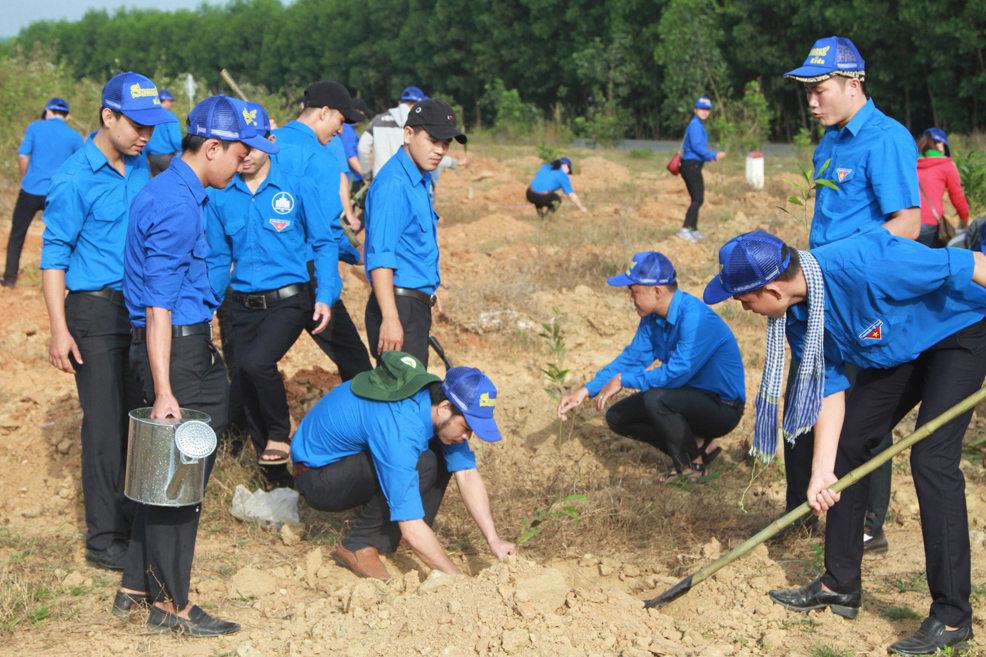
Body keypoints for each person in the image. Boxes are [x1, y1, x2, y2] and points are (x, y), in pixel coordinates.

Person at [705, 229, 986, 656]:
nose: (743, 307)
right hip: (900, 347)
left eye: (744, 300)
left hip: (960, 328)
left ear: (772, 289)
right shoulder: (799, 318)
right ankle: (840, 583)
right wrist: (822, 471)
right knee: (850, 441)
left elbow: (970, 264)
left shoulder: (869, 262)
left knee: (931, 457)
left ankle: (951, 617)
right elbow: (829, 390)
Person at [118, 94, 277, 636]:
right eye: (238, 154)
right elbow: (158, 305)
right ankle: (172, 605)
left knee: (169, 472)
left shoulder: (171, 188)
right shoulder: (179, 205)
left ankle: (136, 585)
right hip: (177, 353)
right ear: (211, 147)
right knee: (179, 479)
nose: (244, 163)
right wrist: (165, 389)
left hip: (181, 347)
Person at [774, 36, 921, 543]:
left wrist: (842, 259)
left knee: (858, 415)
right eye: (806, 92)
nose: (812, 102)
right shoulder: (828, 142)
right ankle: (801, 513)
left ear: (853, 83)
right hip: (822, 292)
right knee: (807, 397)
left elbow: (909, 223)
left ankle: (864, 524)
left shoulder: (887, 138)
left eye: (820, 90)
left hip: (864, 297)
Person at [40, 73, 172, 572]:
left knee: (134, 417)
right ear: (108, 117)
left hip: (136, 308)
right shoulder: (75, 178)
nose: (145, 135)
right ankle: (103, 540)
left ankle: (132, 519)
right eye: (137, 125)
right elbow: (54, 258)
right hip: (93, 311)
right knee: (103, 425)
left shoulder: (142, 168)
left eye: (151, 126)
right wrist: (59, 328)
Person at [290, 352, 518, 580]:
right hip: (318, 478)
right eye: (466, 427)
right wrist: (458, 580)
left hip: (351, 462)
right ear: (445, 407)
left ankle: (402, 533)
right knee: (424, 462)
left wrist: (493, 539)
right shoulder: (400, 425)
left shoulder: (431, 403)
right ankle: (359, 543)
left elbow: (467, 473)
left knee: (441, 451)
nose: (468, 436)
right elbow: (410, 523)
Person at [205, 102, 338, 481]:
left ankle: (281, 432)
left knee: (254, 364)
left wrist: (325, 293)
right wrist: (206, 306)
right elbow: (217, 259)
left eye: (252, 144)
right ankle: (276, 477)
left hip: (289, 299)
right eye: (238, 145)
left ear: (270, 139)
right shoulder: (220, 194)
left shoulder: (296, 184)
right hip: (242, 303)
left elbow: (325, 242)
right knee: (246, 382)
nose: (245, 154)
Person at [556, 252, 744, 480]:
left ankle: (691, 467)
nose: (630, 299)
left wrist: (624, 380)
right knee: (617, 416)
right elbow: (631, 360)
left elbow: (676, 374)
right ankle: (700, 447)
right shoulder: (652, 318)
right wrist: (586, 390)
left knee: (656, 399)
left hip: (722, 407)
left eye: (634, 292)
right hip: (687, 399)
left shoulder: (695, 318)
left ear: (657, 291)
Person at [272, 81, 373, 386]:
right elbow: (326, 231)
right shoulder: (322, 158)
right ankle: (361, 425)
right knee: (355, 359)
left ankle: (231, 431)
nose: (342, 132)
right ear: (325, 113)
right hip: (307, 270)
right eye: (341, 122)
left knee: (257, 360)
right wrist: (354, 253)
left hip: (266, 268)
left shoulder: (269, 142)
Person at [363, 98, 466, 367]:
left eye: (446, 144)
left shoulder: (420, 178)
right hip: (399, 308)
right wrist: (391, 318)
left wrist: (426, 289)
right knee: (401, 400)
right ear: (408, 134)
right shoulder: (394, 185)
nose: (440, 150)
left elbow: (411, 246)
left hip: (412, 304)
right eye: (433, 140)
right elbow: (380, 256)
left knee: (408, 394)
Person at [4, 97, 84, 288]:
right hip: (57, 194)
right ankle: (62, 281)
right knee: (63, 237)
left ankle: (9, 279)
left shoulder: (35, 127)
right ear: (68, 116)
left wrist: (26, 179)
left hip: (31, 190)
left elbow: (23, 154)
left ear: (47, 111)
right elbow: (81, 166)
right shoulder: (74, 136)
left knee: (17, 234)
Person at [357, 86, 467, 184]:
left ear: (400, 103)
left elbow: (363, 147)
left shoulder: (378, 120)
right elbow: (426, 153)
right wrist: (453, 162)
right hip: (413, 180)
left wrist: (367, 175)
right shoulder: (420, 122)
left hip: (381, 178)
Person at [677, 96, 724, 243]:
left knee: (696, 198)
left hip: (693, 164)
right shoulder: (696, 125)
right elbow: (697, 147)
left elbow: (695, 149)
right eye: (702, 109)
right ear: (695, 109)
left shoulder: (697, 124)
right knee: (698, 199)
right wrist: (713, 154)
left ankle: (694, 229)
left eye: (707, 109)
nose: (704, 112)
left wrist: (709, 158)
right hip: (691, 165)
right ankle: (684, 229)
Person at [915, 127, 970, 248]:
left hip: (906, 223)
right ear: (940, 144)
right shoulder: (945, 165)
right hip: (930, 226)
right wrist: (964, 218)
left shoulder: (909, 163)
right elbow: (957, 196)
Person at [144, 89, 183, 177]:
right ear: (167, 101)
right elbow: (176, 140)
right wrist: (182, 152)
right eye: (171, 102)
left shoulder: (150, 117)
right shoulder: (170, 117)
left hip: (152, 158)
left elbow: (144, 137)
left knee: (157, 186)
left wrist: (145, 156)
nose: (171, 104)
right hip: (167, 158)